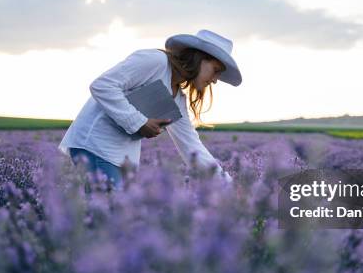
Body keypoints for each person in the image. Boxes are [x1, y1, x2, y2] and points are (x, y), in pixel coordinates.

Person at [58, 29, 241, 193]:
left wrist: (231, 187)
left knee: (112, 219)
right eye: (215, 70)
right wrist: (139, 123)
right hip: (95, 144)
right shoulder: (156, 61)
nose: (215, 80)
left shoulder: (177, 97)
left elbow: (191, 147)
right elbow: (102, 85)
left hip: (121, 157)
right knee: (110, 217)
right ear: (200, 58)